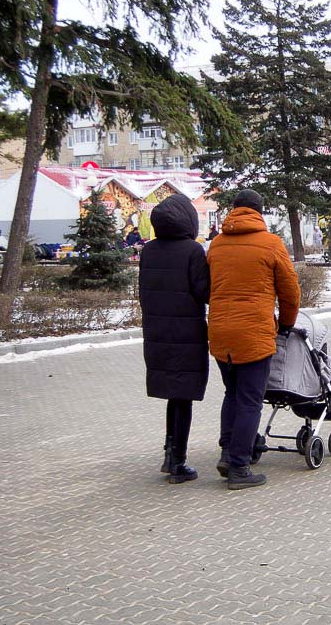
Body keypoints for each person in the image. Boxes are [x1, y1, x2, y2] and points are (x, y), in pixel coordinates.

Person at [207, 189, 300, 490]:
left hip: (220, 333)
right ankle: (239, 467)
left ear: (234, 210)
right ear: (260, 212)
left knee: (231, 394)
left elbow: (205, 286)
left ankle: (226, 452)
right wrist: (285, 325)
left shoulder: (216, 245)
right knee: (250, 400)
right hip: (255, 333)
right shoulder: (271, 244)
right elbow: (290, 293)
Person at [139, 194, 210, 484]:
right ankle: (176, 460)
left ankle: (172, 453)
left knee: (174, 395)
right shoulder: (193, 251)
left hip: (157, 332)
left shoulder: (149, 251)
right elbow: (204, 292)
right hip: (186, 333)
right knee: (183, 396)